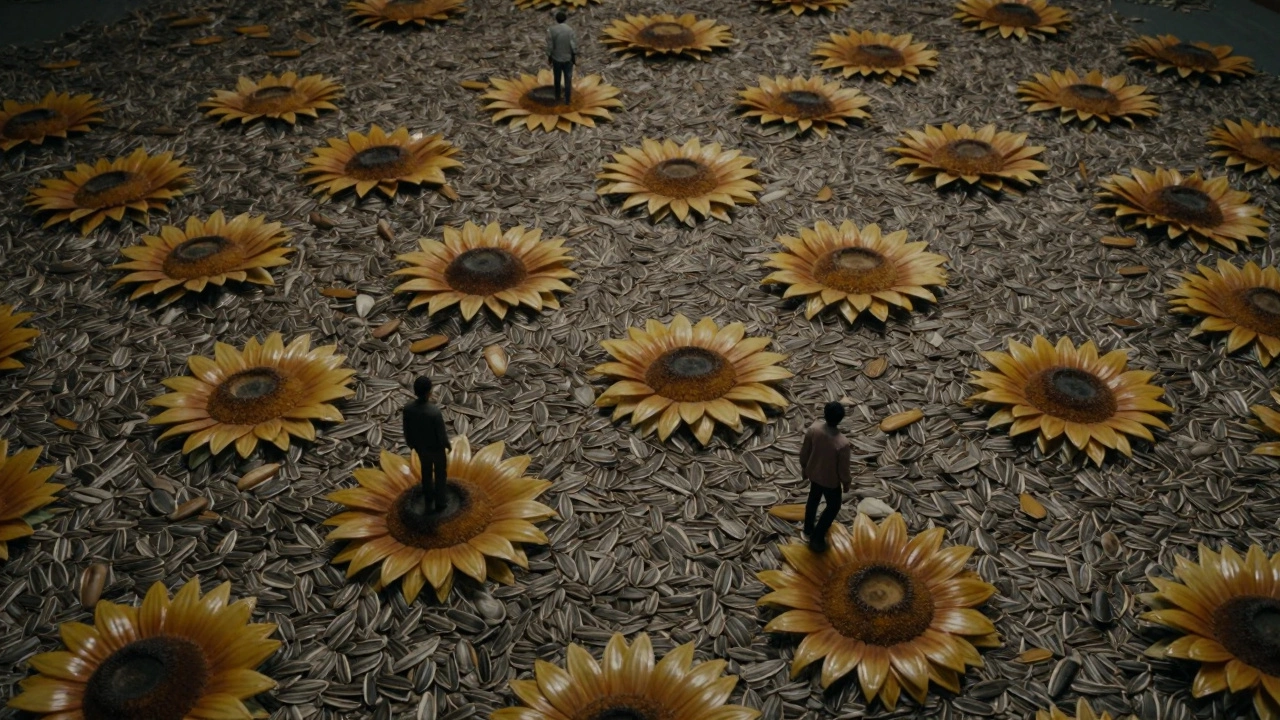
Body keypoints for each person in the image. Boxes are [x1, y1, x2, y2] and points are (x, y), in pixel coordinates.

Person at [799, 401, 852, 552]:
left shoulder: (813, 430)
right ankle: (817, 535)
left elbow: (805, 452)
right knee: (833, 506)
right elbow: (843, 469)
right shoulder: (842, 444)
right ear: (840, 419)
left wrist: (804, 467)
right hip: (830, 481)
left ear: (824, 414)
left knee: (813, 500)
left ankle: (808, 527)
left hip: (814, 473)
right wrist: (846, 482)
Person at [403, 377, 451, 511]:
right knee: (440, 474)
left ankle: (428, 495)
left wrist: (410, 443)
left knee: (426, 471)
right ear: (429, 392)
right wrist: (447, 445)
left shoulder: (408, 409)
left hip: (421, 448)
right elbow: (441, 434)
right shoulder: (434, 412)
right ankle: (441, 501)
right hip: (436, 448)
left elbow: (406, 429)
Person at [546, 10, 577, 104]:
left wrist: (549, 56)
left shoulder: (552, 30)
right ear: (565, 19)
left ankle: (557, 97)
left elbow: (550, 45)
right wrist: (574, 56)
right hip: (568, 58)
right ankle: (567, 100)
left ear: (556, 19)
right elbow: (573, 45)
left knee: (557, 78)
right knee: (568, 79)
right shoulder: (570, 30)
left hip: (556, 58)